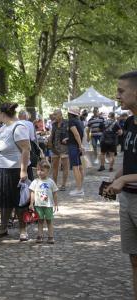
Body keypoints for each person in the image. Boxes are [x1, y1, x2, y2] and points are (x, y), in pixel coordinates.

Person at [106, 71, 137, 299]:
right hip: (127, 200)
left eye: (121, 91)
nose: (117, 96)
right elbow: (129, 159)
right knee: (134, 258)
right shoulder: (128, 122)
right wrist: (115, 178)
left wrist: (124, 179)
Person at [0, 102, 32, 241]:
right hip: (1, 171)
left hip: (15, 171)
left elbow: (26, 149)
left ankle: (23, 230)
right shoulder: (3, 128)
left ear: (2, 114)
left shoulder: (19, 127)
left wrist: (23, 170)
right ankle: (3, 228)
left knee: (20, 202)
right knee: (4, 202)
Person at [29, 160, 58, 244]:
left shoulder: (51, 182)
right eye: (38, 170)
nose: (39, 172)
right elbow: (32, 192)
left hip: (48, 205)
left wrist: (56, 204)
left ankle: (50, 236)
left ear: (48, 171)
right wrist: (31, 203)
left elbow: (55, 193)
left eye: (42, 170)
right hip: (38, 205)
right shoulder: (35, 182)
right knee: (40, 221)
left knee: (49, 221)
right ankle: (40, 235)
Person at [66, 107, 85, 196]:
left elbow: (76, 134)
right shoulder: (79, 121)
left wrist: (80, 145)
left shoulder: (71, 121)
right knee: (80, 167)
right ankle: (80, 187)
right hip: (76, 145)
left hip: (74, 146)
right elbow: (79, 134)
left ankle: (79, 189)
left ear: (70, 114)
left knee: (75, 167)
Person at [48, 109, 69, 191]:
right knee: (54, 167)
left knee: (65, 167)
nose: (54, 116)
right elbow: (52, 134)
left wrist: (68, 138)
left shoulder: (67, 123)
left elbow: (73, 133)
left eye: (56, 114)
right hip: (55, 148)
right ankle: (54, 184)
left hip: (64, 148)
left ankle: (63, 184)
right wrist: (49, 141)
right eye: (54, 114)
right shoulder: (54, 124)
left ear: (60, 115)